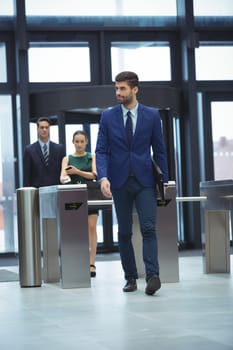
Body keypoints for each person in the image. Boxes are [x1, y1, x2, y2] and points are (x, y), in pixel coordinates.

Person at [95, 71, 169, 295]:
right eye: (116, 88)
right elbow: (101, 150)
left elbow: (160, 151)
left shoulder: (152, 115)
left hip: (145, 180)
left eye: (122, 88)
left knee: (148, 228)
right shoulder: (108, 116)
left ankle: (153, 276)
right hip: (119, 182)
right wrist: (103, 177)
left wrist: (163, 181)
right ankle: (130, 278)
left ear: (135, 89)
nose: (118, 92)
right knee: (125, 232)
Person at [60, 130, 98, 278]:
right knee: (74, 229)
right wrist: (66, 177)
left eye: (82, 141)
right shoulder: (67, 158)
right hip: (73, 194)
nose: (79, 144)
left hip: (90, 195)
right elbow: (62, 176)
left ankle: (91, 263)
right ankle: (75, 260)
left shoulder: (91, 156)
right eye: (77, 141)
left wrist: (77, 171)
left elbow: (94, 175)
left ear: (86, 142)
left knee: (92, 227)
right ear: (73, 142)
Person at [23, 117, 66, 187]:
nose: (44, 130)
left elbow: (63, 172)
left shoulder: (59, 149)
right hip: (37, 192)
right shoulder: (29, 150)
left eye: (47, 127)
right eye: (42, 127)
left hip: (56, 190)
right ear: (37, 129)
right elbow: (26, 176)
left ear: (49, 129)